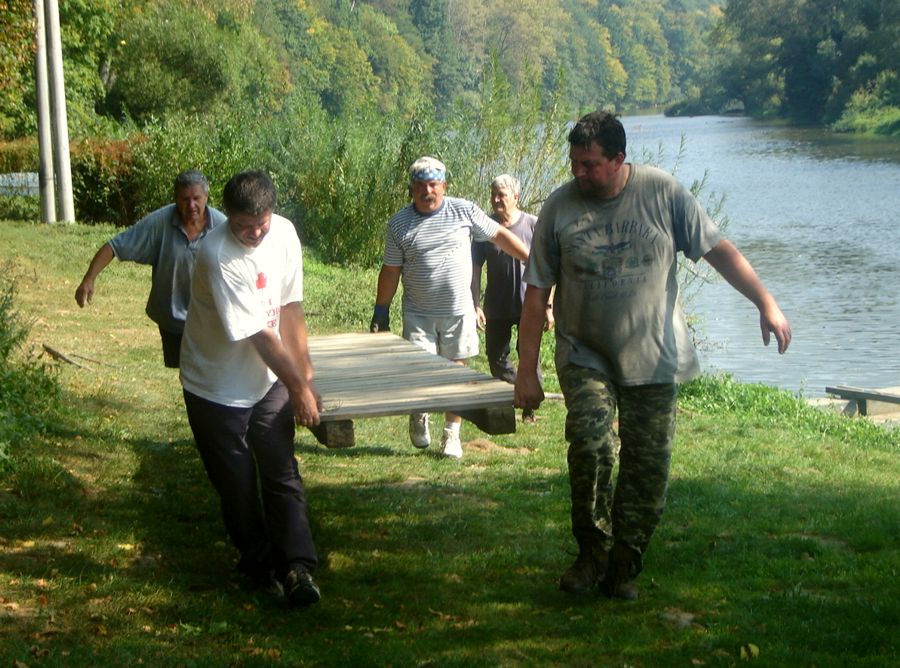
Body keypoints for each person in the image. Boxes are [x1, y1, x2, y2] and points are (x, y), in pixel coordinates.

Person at [514, 111, 791, 600]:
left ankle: (623, 565)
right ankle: (591, 553)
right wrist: (528, 372)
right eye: (574, 162)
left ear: (619, 159)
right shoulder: (559, 208)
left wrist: (765, 303)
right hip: (585, 355)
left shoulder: (662, 193)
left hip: (654, 357)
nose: (578, 172)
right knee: (591, 448)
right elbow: (536, 294)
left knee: (647, 467)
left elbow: (718, 250)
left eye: (590, 164)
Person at [179, 170, 322, 607]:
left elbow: (290, 306)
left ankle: (298, 568)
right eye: (244, 225)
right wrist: (297, 385)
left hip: (267, 381)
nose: (255, 233)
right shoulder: (217, 254)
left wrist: (305, 374)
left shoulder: (284, 234)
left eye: (261, 224)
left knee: (281, 471)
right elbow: (261, 335)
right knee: (238, 486)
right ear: (229, 218)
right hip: (215, 387)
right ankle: (259, 563)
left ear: (271, 213)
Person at [371, 156, 530, 459]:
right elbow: (390, 270)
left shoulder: (464, 210)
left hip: (459, 312)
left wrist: (530, 259)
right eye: (420, 186)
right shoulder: (398, 224)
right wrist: (381, 310)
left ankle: (451, 436)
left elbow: (498, 235)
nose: (427, 191)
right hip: (418, 313)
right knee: (422, 372)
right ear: (411, 189)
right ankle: (420, 412)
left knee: (457, 372)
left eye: (433, 185)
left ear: (444, 186)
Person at [75, 169, 226, 368]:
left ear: (206, 197)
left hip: (210, 318)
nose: (191, 205)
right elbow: (114, 246)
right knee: (187, 374)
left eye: (196, 198)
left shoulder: (222, 227)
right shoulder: (159, 223)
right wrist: (89, 279)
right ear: (175, 199)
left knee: (209, 371)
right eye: (184, 199)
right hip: (173, 320)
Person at [472, 174, 552, 424]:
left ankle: (530, 409)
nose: (496, 199)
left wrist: (549, 306)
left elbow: (550, 268)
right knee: (496, 357)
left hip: (531, 304)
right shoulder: (484, 228)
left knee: (530, 355)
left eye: (502, 195)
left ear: (516, 198)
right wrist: (475, 304)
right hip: (496, 305)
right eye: (493, 194)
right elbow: (474, 270)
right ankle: (519, 389)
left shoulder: (533, 225)